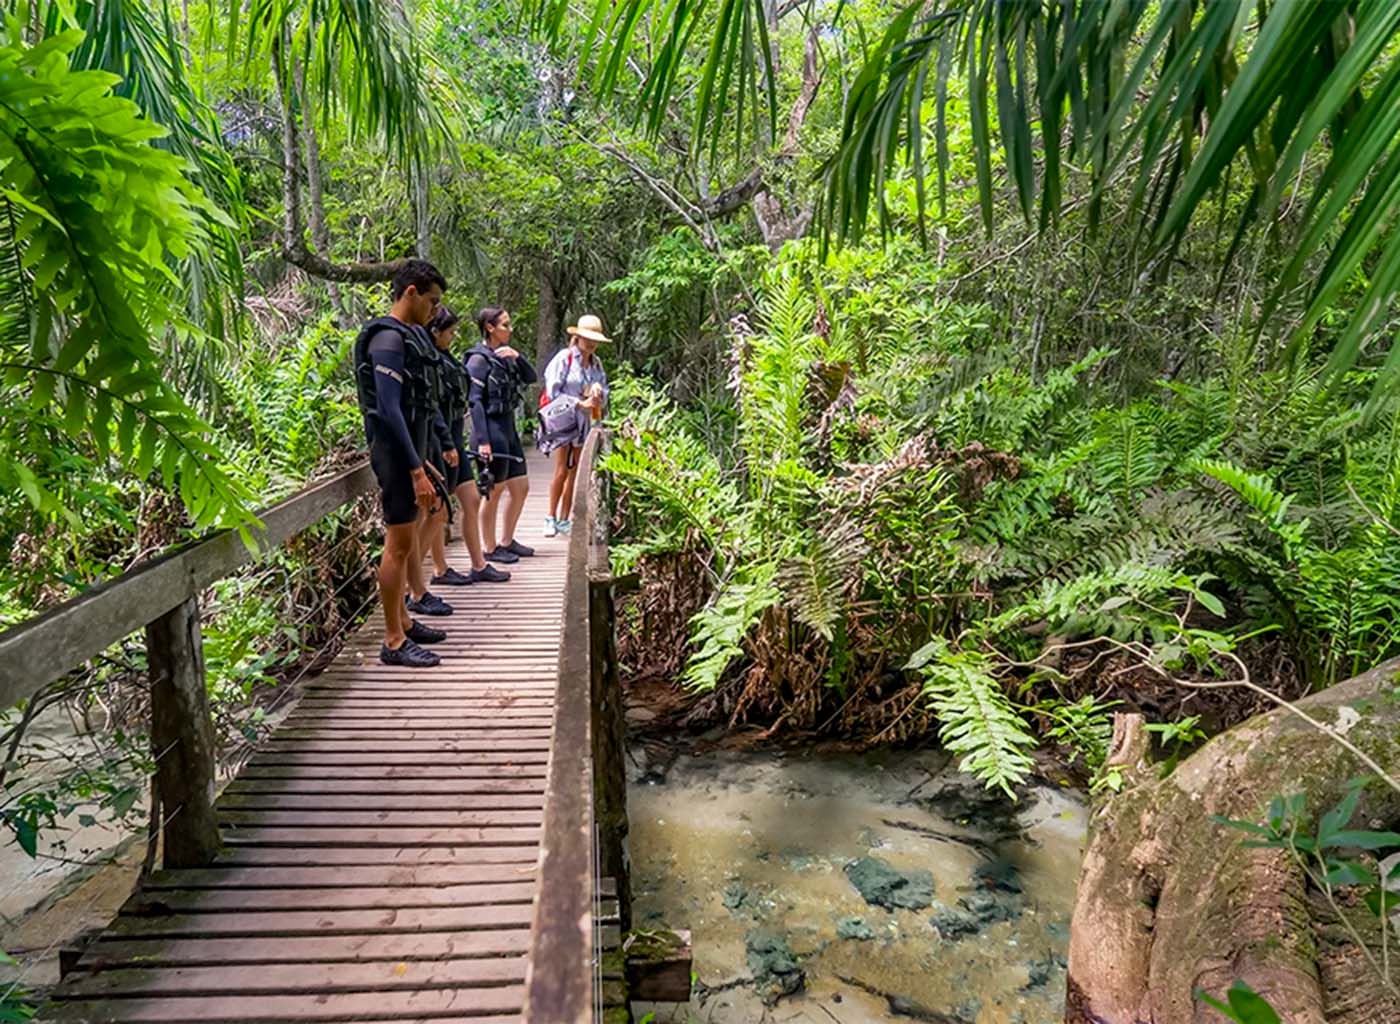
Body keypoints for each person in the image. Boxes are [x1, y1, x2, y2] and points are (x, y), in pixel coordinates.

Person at [352, 259, 450, 668]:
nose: (434, 310)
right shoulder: (388, 341)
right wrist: (413, 468)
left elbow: (413, 410)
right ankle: (392, 640)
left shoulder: (408, 339)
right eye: (432, 300)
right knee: (396, 547)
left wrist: (424, 462)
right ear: (410, 293)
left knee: (409, 540)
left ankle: (405, 621)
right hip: (393, 458)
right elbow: (390, 410)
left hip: (409, 455)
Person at [424, 306, 510, 585]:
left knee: (471, 500)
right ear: (435, 331)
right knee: (437, 511)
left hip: (454, 441)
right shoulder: (428, 362)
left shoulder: (446, 359)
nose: (453, 336)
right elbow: (432, 406)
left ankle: (478, 563)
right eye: (450, 331)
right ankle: (439, 569)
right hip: (438, 444)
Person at [466, 307, 537, 565]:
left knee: (521, 488)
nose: (510, 329)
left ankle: (507, 540)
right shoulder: (478, 360)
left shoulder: (506, 356)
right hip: (491, 432)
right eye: (505, 325)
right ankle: (490, 547)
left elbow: (531, 377)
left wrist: (517, 357)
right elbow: (474, 402)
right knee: (493, 492)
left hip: (509, 430)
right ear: (490, 327)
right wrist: (483, 441)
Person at [539, 313, 610, 537]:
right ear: (578, 337)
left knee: (575, 472)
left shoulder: (596, 364)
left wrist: (598, 396)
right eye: (587, 337)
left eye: (595, 339)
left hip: (585, 423)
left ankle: (564, 519)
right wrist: (579, 403)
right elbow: (553, 391)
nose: (591, 343)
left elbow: (605, 390)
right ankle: (549, 517)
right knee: (561, 469)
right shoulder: (565, 358)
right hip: (564, 421)